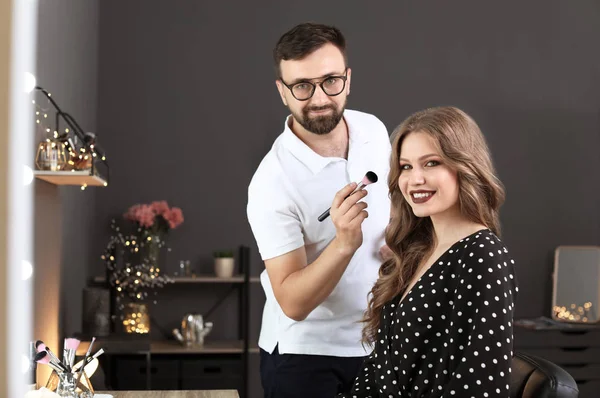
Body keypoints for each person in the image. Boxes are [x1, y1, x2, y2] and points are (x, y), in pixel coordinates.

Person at [246, 22, 392, 397]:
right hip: (305, 355)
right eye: (302, 86)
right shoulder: (271, 183)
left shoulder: (373, 129)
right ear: (282, 92)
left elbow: (395, 213)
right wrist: (344, 242)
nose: (319, 98)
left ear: (348, 78)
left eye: (330, 80)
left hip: (378, 341)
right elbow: (292, 302)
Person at [340, 106, 518, 397]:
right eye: (406, 166)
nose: (415, 179)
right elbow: (379, 367)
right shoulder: (416, 250)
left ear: (465, 166)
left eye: (432, 163)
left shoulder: (482, 255)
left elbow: (480, 385)